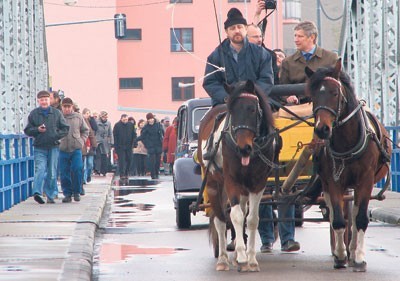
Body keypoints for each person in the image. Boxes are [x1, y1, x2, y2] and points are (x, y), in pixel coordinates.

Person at [246, 24, 297, 253]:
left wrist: (288, 97)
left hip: (279, 115)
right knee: (262, 189)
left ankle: (286, 239)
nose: (259, 40)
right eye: (254, 37)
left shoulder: (270, 62)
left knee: (285, 188)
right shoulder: (245, 58)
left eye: (260, 36)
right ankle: (267, 238)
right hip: (258, 117)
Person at [203, 7, 274, 107]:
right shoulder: (216, 56)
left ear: (245, 29)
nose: (237, 31)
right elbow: (210, 82)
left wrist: (252, 95)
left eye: (239, 27)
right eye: (232, 28)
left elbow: (266, 79)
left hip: (255, 102)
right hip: (225, 104)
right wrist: (226, 97)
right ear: (227, 32)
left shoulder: (261, 53)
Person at [24, 90, 69, 204]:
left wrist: (56, 135)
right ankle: (37, 192)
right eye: (42, 100)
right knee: (40, 169)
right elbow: (27, 130)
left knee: (52, 172)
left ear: (49, 100)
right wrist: (37, 130)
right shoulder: (34, 114)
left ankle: (50, 195)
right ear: (38, 101)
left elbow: (65, 128)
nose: (44, 102)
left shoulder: (57, 113)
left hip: (53, 146)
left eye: (46, 99)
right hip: (39, 146)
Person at [280, 20, 339, 104]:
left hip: (325, 106)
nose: (295, 40)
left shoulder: (331, 58)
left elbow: (340, 85)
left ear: (312, 37)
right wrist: (288, 97)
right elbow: (282, 88)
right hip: (297, 110)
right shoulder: (287, 62)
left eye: (300, 36)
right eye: (295, 36)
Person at [59, 97, 89, 203]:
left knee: (77, 169)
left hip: (76, 148)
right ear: (61, 107)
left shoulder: (78, 117)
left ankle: (77, 191)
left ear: (72, 107)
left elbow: (86, 130)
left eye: (68, 106)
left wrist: (81, 141)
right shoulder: (59, 117)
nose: (66, 109)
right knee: (64, 172)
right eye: (64, 106)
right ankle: (67, 194)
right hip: (62, 148)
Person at [136, 113, 164, 179]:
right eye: (149, 119)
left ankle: (157, 173)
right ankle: (153, 174)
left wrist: (162, 142)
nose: (151, 120)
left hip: (158, 145)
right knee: (152, 161)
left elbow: (162, 134)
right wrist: (146, 143)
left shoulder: (158, 125)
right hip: (151, 146)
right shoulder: (146, 127)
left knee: (158, 161)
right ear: (147, 120)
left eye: (151, 119)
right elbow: (142, 136)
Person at [113, 114, 137, 184]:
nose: (125, 120)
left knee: (129, 160)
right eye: (124, 119)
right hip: (120, 147)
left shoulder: (131, 125)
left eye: (126, 119)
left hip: (129, 146)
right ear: (121, 119)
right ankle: (122, 174)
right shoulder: (117, 125)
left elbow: (134, 135)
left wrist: (134, 143)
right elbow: (115, 136)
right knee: (122, 161)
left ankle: (126, 173)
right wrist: (116, 146)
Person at [82, 108, 98, 187]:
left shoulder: (90, 121)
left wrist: (92, 119)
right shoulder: (81, 121)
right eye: (87, 113)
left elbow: (95, 128)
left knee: (90, 164)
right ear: (83, 113)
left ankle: (88, 175)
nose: (88, 115)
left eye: (89, 113)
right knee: (84, 165)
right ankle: (84, 179)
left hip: (90, 146)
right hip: (83, 145)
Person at [95, 111, 114, 176]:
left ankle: (104, 171)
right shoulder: (96, 122)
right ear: (101, 117)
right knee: (98, 156)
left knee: (104, 156)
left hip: (105, 142)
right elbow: (94, 132)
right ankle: (97, 169)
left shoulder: (108, 123)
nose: (105, 118)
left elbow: (110, 133)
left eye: (106, 117)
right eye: (103, 117)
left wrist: (111, 142)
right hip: (98, 141)